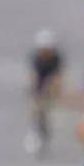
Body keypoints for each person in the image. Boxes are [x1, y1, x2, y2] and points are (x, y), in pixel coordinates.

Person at [26, 28, 64, 156]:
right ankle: (35, 133)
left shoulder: (55, 58)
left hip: (50, 87)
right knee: (36, 112)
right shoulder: (36, 58)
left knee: (46, 114)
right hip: (39, 87)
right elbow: (33, 75)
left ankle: (44, 136)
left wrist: (55, 91)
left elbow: (58, 76)